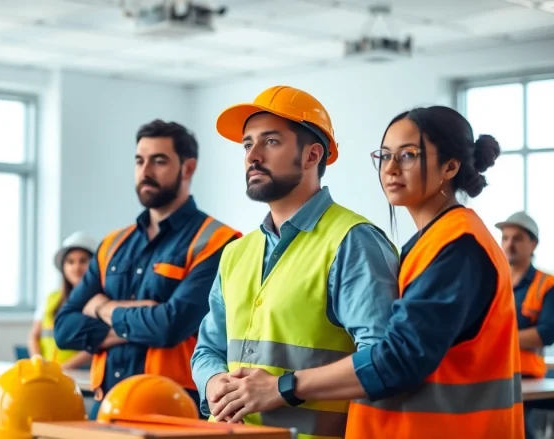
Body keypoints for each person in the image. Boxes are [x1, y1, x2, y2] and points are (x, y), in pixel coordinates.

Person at [207, 105, 523, 439]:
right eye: (385, 156)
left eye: (408, 155)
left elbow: (399, 359)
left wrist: (283, 387)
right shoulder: (432, 242)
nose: (391, 168)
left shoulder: (458, 246)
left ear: (450, 166)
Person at [190, 85, 400, 438]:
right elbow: (208, 348)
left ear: (311, 155)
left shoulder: (353, 241)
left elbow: (383, 360)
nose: (252, 155)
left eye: (270, 142)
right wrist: (214, 383)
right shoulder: (237, 252)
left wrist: (282, 387)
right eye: (247, 144)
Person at [54, 119, 242, 419]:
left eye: (159, 161)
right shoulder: (112, 244)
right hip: (106, 407)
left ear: (188, 168)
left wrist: (104, 308)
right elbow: (64, 329)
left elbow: (169, 326)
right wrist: (143, 318)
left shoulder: (218, 242)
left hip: (173, 410)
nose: (145, 171)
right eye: (140, 161)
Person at [496, 212, 554, 439]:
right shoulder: (494, 282)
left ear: (533, 244)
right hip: (494, 374)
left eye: (517, 238)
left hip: (529, 377)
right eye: (505, 238)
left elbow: (546, 333)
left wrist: (496, 338)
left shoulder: (546, 284)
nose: (509, 244)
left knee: (518, 425)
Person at [27, 231, 97, 370]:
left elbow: (97, 344)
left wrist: (63, 368)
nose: (76, 267)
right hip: (48, 372)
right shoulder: (51, 299)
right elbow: (34, 335)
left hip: (82, 373)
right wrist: (38, 361)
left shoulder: (98, 301)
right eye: (70, 262)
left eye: (83, 261)